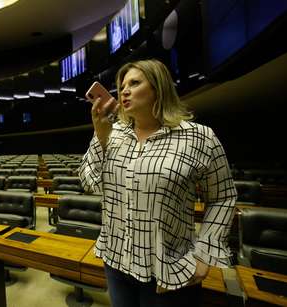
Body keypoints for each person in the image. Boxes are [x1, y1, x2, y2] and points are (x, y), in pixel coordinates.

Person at [79, 59, 237, 307]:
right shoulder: (112, 132)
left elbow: (223, 197)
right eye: (121, 86)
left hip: (170, 269)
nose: (124, 91)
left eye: (134, 83)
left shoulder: (199, 137)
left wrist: (205, 254)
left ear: (158, 88)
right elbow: (88, 182)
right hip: (116, 261)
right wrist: (101, 139)